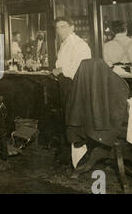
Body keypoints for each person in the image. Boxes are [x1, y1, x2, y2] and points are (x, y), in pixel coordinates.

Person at [52, 17, 92, 165]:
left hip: (75, 84)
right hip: (65, 84)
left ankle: (80, 157)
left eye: (63, 27)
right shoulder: (65, 44)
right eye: (57, 28)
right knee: (67, 118)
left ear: (72, 27)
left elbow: (80, 68)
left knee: (74, 119)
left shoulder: (79, 44)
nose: (60, 30)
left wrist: (61, 69)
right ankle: (67, 155)